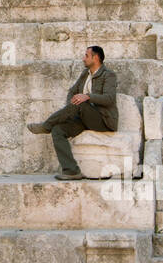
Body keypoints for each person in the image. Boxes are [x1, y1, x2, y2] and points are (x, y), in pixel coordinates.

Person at [27, 45, 118, 180]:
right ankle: (71, 171)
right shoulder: (84, 74)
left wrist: (87, 96)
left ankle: (46, 125)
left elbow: (109, 98)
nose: (83, 59)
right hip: (83, 118)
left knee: (80, 103)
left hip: (102, 121)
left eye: (86, 56)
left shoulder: (108, 75)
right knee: (58, 130)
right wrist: (71, 106)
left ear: (96, 57)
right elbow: (72, 92)